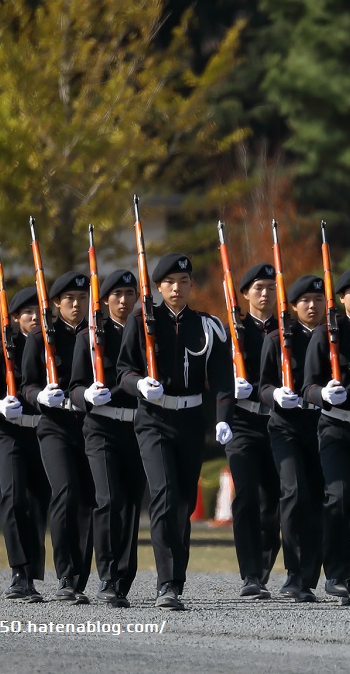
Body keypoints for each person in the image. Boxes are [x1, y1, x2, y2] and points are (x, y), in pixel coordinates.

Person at [117, 252, 235, 611]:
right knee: (165, 496)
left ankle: (175, 580)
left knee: (181, 502)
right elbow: (123, 371)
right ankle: (166, 583)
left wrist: (223, 417)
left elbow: (221, 379)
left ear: (192, 285)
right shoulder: (141, 323)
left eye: (184, 282)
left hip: (189, 420)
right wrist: (140, 385)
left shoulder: (207, 325)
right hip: (153, 419)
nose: (177, 288)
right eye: (170, 282)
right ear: (158, 287)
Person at [70, 269, 143, 608]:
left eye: (130, 293)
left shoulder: (145, 332)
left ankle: (123, 578)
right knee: (109, 499)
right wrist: (88, 394)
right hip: (101, 427)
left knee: (130, 505)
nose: (125, 301)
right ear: (106, 299)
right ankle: (108, 576)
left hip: (138, 428)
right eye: (118, 294)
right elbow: (73, 388)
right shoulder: (90, 335)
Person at [21, 271, 94, 604]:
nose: (76, 305)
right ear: (55, 304)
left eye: (81, 298)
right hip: (55, 426)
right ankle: (65, 573)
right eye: (69, 300)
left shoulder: (97, 334)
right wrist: (40, 397)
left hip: (92, 425)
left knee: (89, 501)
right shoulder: (40, 339)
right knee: (64, 492)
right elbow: (27, 385)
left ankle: (81, 576)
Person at [303, 268, 350, 605]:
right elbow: (307, 387)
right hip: (334, 425)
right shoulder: (327, 333)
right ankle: (335, 574)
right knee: (339, 495)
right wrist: (324, 394)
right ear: (341, 298)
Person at [0, 287, 50, 601]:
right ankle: (19, 573)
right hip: (10, 434)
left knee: (38, 504)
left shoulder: (52, 348)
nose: (34, 317)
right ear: (16, 318)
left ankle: (33, 574)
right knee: (14, 497)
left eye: (38, 311)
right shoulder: (0, 351)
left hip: (43, 434)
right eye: (27, 312)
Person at [258, 274, 327, 603]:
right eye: (305, 301)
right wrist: (276, 396)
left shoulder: (333, 337)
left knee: (317, 500)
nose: (312, 306)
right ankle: (294, 572)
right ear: (294, 305)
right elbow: (263, 386)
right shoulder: (277, 339)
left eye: (318, 300)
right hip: (286, 426)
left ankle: (310, 575)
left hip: (323, 425)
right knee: (294, 492)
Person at [224, 263, 282, 600]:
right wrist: (232, 388)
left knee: (274, 500)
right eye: (258, 288)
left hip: (277, 422)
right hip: (243, 424)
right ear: (245, 294)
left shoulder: (287, 329)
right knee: (246, 496)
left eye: (271, 288)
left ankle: (262, 568)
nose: (265, 294)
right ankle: (250, 574)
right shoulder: (233, 330)